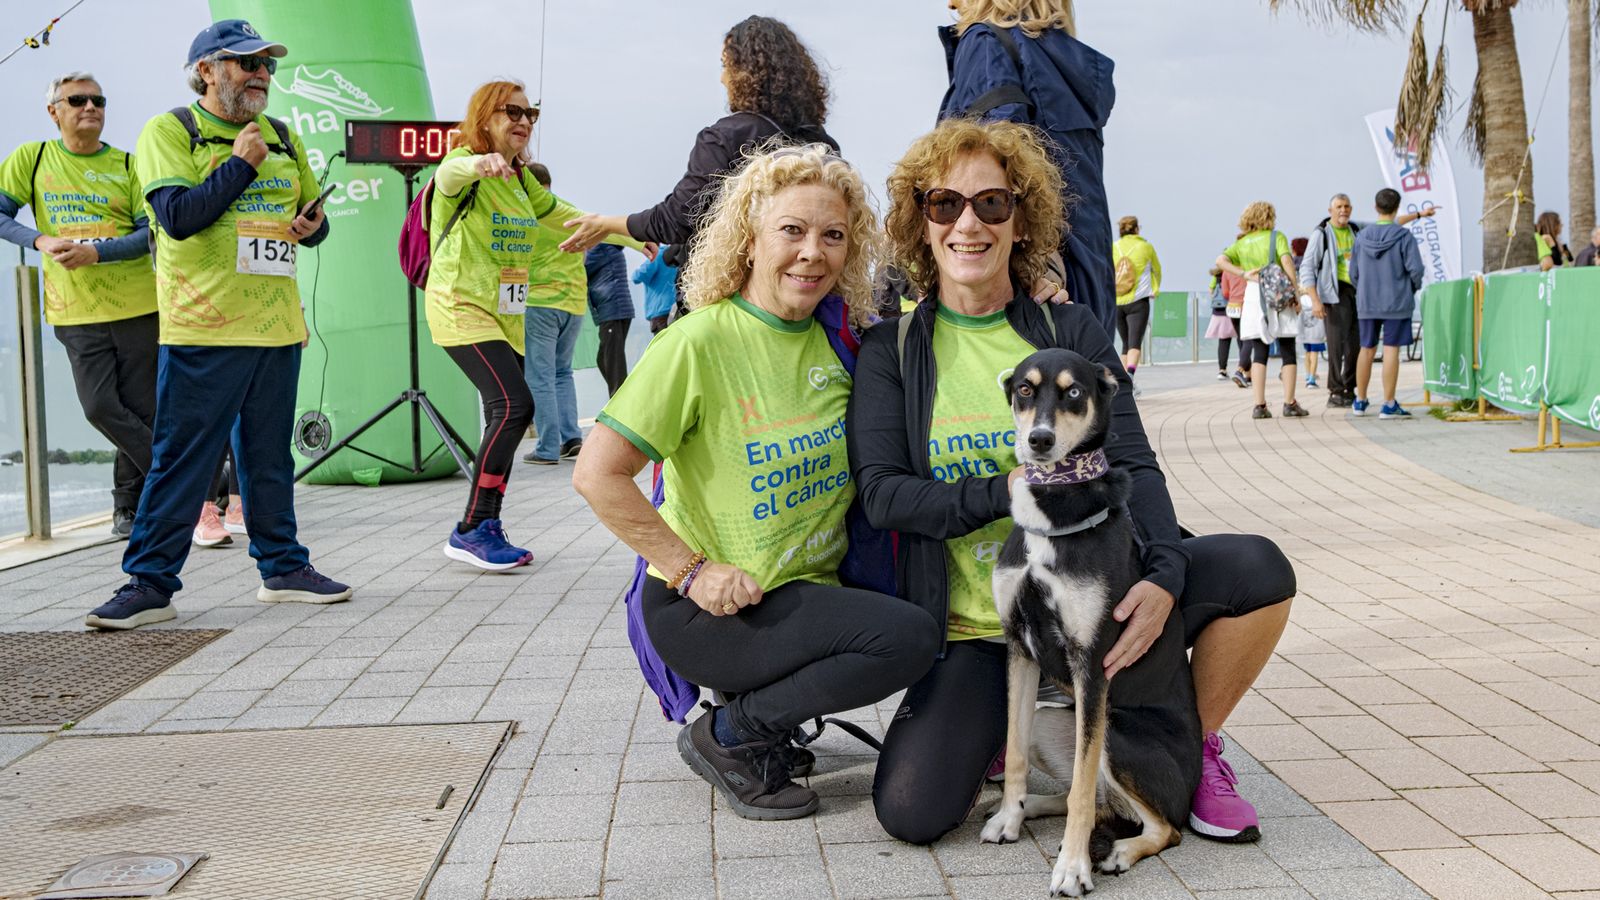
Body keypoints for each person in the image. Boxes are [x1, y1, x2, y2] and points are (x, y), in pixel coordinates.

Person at [852, 118, 1295, 846]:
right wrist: (1014, 491)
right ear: (919, 221)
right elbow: (885, 496)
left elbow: (1133, 463)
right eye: (945, 205)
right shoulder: (891, 349)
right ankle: (1016, 733)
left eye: (992, 204)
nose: (969, 223)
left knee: (1259, 568)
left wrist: (1165, 574)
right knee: (912, 809)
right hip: (983, 628)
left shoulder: (1073, 327)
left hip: (1099, 600)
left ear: (1021, 221)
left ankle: (1190, 746)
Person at [572, 145, 939, 821]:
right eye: (791, 231)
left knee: (924, 617)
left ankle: (762, 716)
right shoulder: (698, 343)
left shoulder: (845, 341)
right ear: (748, 239)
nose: (812, 253)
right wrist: (692, 571)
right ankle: (732, 736)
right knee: (907, 638)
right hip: (710, 609)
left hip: (799, 595)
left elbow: (949, 334)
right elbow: (597, 474)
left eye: (833, 236)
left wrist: (1038, 297)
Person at [86, 19, 351, 630]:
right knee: (183, 459)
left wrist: (313, 226)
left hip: (277, 326)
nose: (261, 74)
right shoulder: (171, 130)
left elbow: (311, 220)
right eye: (246, 63)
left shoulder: (282, 136)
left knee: (268, 459)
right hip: (204, 327)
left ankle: (283, 568)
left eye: (267, 65)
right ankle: (149, 583)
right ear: (206, 70)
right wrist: (239, 167)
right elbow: (177, 217)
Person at [425, 82, 637, 566]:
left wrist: (630, 236)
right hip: (461, 305)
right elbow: (450, 176)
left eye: (531, 113)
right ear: (484, 117)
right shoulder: (464, 165)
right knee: (515, 405)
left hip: (506, 315)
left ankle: (483, 524)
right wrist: (479, 162)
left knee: (505, 412)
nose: (524, 121)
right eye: (512, 111)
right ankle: (475, 526)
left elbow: (573, 218)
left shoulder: (522, 184)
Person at [0, 72, 156, 539]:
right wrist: (40, 239)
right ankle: (198, 480)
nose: (91, 107)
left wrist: (97, 252)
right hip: (74, 308)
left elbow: (150, 233)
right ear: (54, 111)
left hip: (136, 304)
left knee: (140, 410)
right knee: (100, 407)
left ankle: (127, 510)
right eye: (78, 100)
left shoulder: (130, 165)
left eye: (98, 100)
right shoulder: (33, 158)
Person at [558, 16, 839, 260]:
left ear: (745, 73)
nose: (722, 78)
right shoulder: (822, 146)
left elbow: (678, 218)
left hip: (737, 301)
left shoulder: (726, 137)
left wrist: (607, 224)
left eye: (725, 65)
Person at [938, 0, 1118, 337]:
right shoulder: (1065, 66)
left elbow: (990, 169)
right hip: (1090, 278)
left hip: (1033, 283)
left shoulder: (986, 44)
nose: (950, 4)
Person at [517, 162, 646, 466]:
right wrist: (638, 242)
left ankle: (547, 447)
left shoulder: (527, 213)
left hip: (540, 302)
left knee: (540, 376)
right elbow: (604, 231)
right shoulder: (567, 211)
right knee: (563, 373)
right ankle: (572, 439)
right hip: (574, 306)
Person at [1300, 194, 1437, 408]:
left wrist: (1419, 215)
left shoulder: (1357, 230)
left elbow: (1388, 224)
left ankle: (1352, 390)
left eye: (1346, 206)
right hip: (1335, 292)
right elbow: (1307, 268)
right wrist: (1315, 300)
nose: (1343, 210)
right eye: (1338, 207)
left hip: (1359, 292)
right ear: (1330, 211)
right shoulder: (1322, 234)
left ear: (1352, 209)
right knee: (1336, 345)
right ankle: (1336, 392)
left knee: (1356, 346)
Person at [1216, 202, 1306, 420]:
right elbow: (1287, 263)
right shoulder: (1277, 237)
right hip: (1278, 293)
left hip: (1255, 294)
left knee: (1259, 351)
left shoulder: (1243, 243)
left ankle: (1259, 404)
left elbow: (1220, 261)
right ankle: (1289, 402)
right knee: (1287, 349)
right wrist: (1295, 292)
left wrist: (1244, 273)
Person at [1350, 188, 1424, 420]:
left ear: (1376, 207)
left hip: (1367, 302)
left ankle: (1360, 401)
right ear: (1397, 208)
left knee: (1367, 349)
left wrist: (1363, 290)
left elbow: (1354, 273)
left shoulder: (1361, 237)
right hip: (1396, 302)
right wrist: (1410, 288)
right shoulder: (1404, 237)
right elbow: (1416, 270)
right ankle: (1389, 404)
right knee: (1391, 349)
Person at [1112, 215, 1161, 387]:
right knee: (1134, 343)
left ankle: (1121, 381)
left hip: (1116, 302)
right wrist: (1155, 289)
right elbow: (1157, 270)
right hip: (1138, 301)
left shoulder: (1114, 247)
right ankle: (1130, 375)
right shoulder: (1145, 247)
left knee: (1125, 344)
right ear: (1137, 229)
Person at [585, 243, 635, 396]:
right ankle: (623, 397)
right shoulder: (609, 248)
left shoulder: (600, 249)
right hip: (616, 309)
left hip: (612, 309)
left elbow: (580, 269)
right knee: (604, 359)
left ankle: (621, 403)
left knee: (613, 362)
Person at [1292, 236, 1325, 389]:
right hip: (1314, 303)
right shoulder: (1313, 265)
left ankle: (1307, 375)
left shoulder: (1292, 265)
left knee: (1307, 348)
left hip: (1301, 306)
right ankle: (1312, 378)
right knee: (1315, 348)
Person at [632, 243, 680, 334]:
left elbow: (636, 277)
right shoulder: (677, 254)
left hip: (661, 313)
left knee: (663, 346)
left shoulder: (657, 256)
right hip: (677, 308)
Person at [1203, 267, 1237, 381]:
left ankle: (1222, 370)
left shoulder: (1218, 275)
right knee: (1242, 339)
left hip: (1220, 311)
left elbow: (1211, 290)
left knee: (1223, 340)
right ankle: (1243, 369)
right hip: (1235, 309)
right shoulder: (1235, 272)